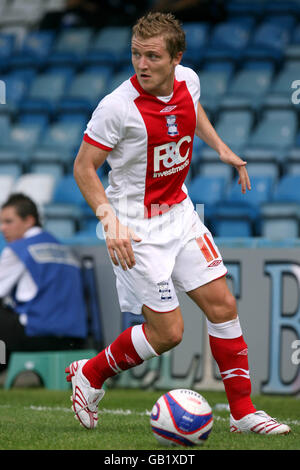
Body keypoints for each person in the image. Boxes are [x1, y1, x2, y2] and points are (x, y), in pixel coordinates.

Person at [66, 12, 290, 435]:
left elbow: (192, 110)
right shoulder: (117, 108)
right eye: (136, 54)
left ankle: (242, 414)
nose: (142, 64)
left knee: (223, 304)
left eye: (152, 56)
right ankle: (91, 374)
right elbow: (83, 168)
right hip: (134, 227)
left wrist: (221, 147)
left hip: (180, 213)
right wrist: (109, 221)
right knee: (168, 333)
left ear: (176, 58)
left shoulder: (188, 79)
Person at [0, 193, 87, 371]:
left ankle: (9, 371)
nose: (2, 228)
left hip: (37, 335)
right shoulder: (64, 249)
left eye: (9, 221)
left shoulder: (18, 249)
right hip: (75, 339)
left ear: (29, 220)